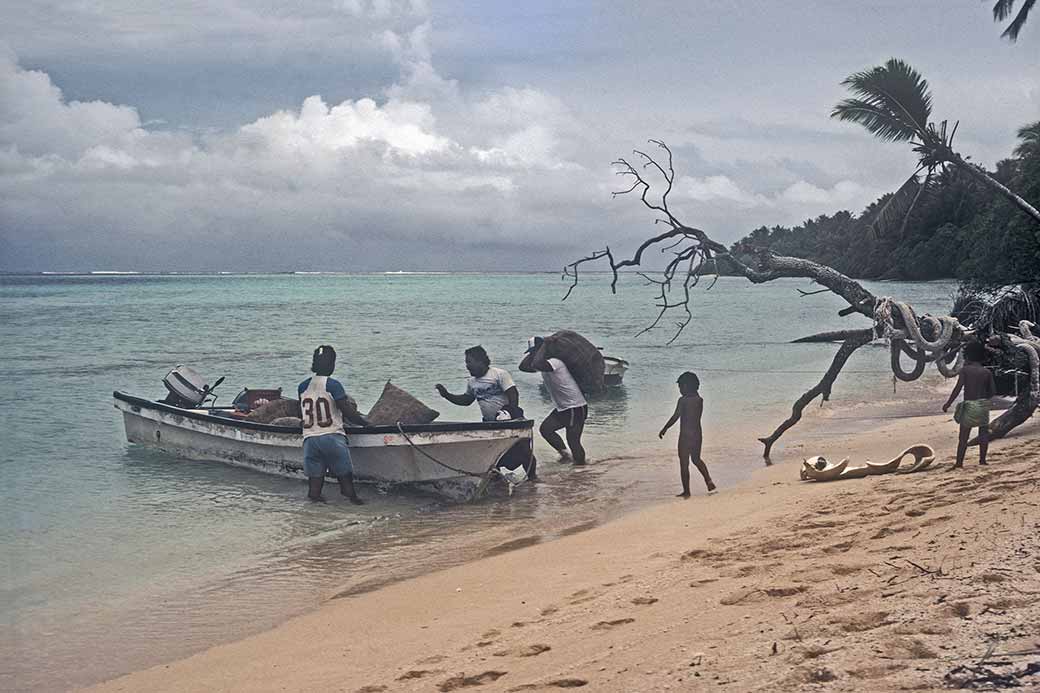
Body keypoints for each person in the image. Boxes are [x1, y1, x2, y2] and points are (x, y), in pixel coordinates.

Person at [435, 346, 535, 479]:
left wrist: (510, 413)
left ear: (480, 361)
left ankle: (533, 479)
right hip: (489, 424)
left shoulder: (499, 374)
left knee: (524, 452)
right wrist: (447, 395)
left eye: (469, 362)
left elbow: (513, 394)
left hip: (510, 420)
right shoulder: (472, 382)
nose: (467, 366)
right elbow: (466, 400)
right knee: (493, 455)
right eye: (466, 363)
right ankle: (497, 481)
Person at [298, 345, 370, 503]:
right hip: (332, 437)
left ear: (314, 364)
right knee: (346, 483)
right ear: (332, 364)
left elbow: (301, 412)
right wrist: (366, 424)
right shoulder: (333, 385)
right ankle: (355, 504)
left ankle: (316, 514)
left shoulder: (302, 386)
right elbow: (348, 412)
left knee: (314, 490)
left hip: (310, 439)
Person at [519, 336, 588, 465]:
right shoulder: (543, 364)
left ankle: (581, 468)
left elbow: (537, 364)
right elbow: (523, 367)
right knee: (546, 430)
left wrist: (544, 346)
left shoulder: (555, 362)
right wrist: (533, 352)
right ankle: (566, 455)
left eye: (536, 352)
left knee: (573, 441)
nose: (534, 355)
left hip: (575, 407)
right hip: (563, 408)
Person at [659, 371, 716, 498]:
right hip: (697, 435)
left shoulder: (683, 401)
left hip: (685, 437)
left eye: (680, 387)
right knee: (696, 459)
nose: (679, 390)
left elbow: (675, 417)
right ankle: (708, 480)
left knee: (684, 464)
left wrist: (665, 428)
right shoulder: (699, 400)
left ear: (686, 386)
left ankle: (687, 491)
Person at [942, 341, 997, 468]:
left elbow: (957, 389)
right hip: (983, 405)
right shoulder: (986, 372)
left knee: (963, 437)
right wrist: (984, 398)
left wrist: (948, 404)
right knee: (983, 435)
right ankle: (982, 460)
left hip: (970, 405)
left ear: (968, 355)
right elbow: (992, 391)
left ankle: (959, 463)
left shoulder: (965, 370)